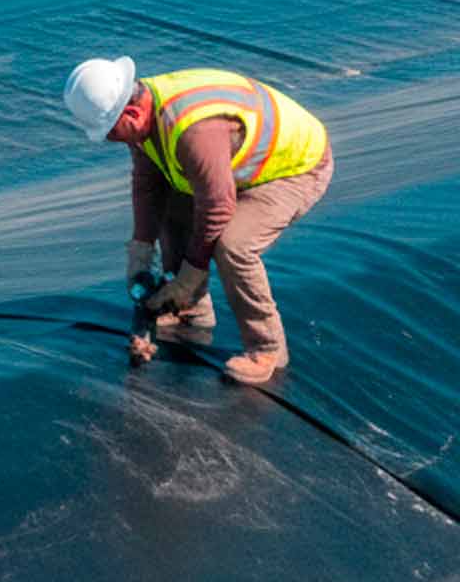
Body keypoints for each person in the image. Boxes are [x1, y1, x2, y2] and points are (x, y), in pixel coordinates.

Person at [62, 56, 333, 386]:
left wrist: (191, 274)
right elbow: (148, 184)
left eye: (110, 133)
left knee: (234, 245)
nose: (109, 141)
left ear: (131, 113)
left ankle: (267, 349)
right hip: (229, 166)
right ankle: (187, 308)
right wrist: (141, 253)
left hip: (294, 168)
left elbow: (217, 206)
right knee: (171, 201)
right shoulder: (145, 113)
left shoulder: (194, 130)